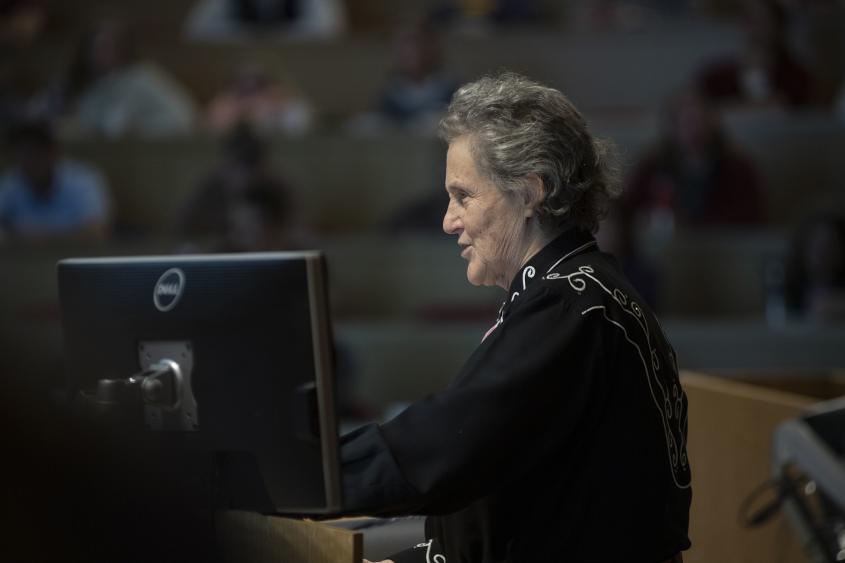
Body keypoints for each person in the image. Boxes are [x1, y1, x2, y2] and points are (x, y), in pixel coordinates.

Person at [341, 73, 691, 563]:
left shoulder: (569, 307)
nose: (448, 220)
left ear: (530, 192)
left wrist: (305, 474)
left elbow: (449, 449)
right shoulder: (583, 288)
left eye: (463, 195)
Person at [627, 88, 762, 235]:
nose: (693, 129)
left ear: (712, 123)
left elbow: (751, 220)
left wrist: (692, 226)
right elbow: (631, 215)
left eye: (699, 120)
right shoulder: (651, 168)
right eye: (685, 121)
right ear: (671, 126)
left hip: (723, 248)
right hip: (667, 250)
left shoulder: (738, 169)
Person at [0, 120, 110, 242]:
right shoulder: (9, 184)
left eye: (37, 151)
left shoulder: (83, 181)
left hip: (72, 255)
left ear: (52, 152)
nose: (30, 159)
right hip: (24, 259)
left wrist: (38, 237)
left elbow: (96, 232)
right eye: (23, 152)